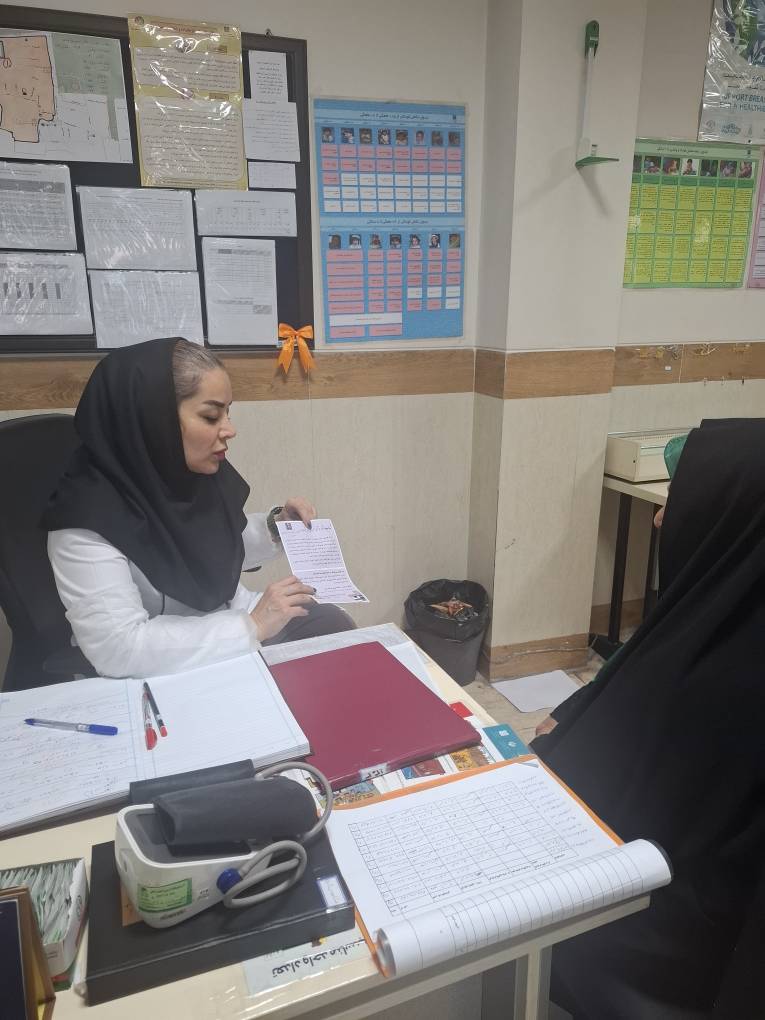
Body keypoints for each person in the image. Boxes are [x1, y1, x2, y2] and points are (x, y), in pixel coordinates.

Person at [532, 418, 765, 1018]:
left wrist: (551, 752)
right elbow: (623, 690)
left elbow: (619, 792)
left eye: (677, 499)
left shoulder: (720, 677)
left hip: (660, 933)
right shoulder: (719, 613)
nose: (660, 519)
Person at [43, 338, 355, 679]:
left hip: (225, 626)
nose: (230, 430)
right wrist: (251, 625)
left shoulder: (188, 478)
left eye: (228, 412)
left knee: (331, 624)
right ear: (154, 420)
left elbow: (215, 548)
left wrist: (275, 526)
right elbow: (119, 648)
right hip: (161, 665)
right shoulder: (85, 520)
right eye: (211, 416)